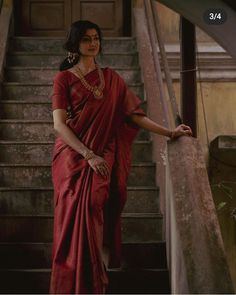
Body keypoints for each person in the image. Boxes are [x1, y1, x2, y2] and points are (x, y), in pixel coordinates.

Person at [49, 20, 192, 294]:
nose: (93, 43)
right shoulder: (63, 79)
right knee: (77, 213)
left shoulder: (111, 78)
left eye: (96, 38)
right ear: (75, 44)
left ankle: (97, 273)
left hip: (106, 152)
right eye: (86, 39)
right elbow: (59, 124)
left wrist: (169, 132)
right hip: (72, 156)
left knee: (99, 205)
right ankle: (75, 279)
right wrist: (88, 154)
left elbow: (134, 115)